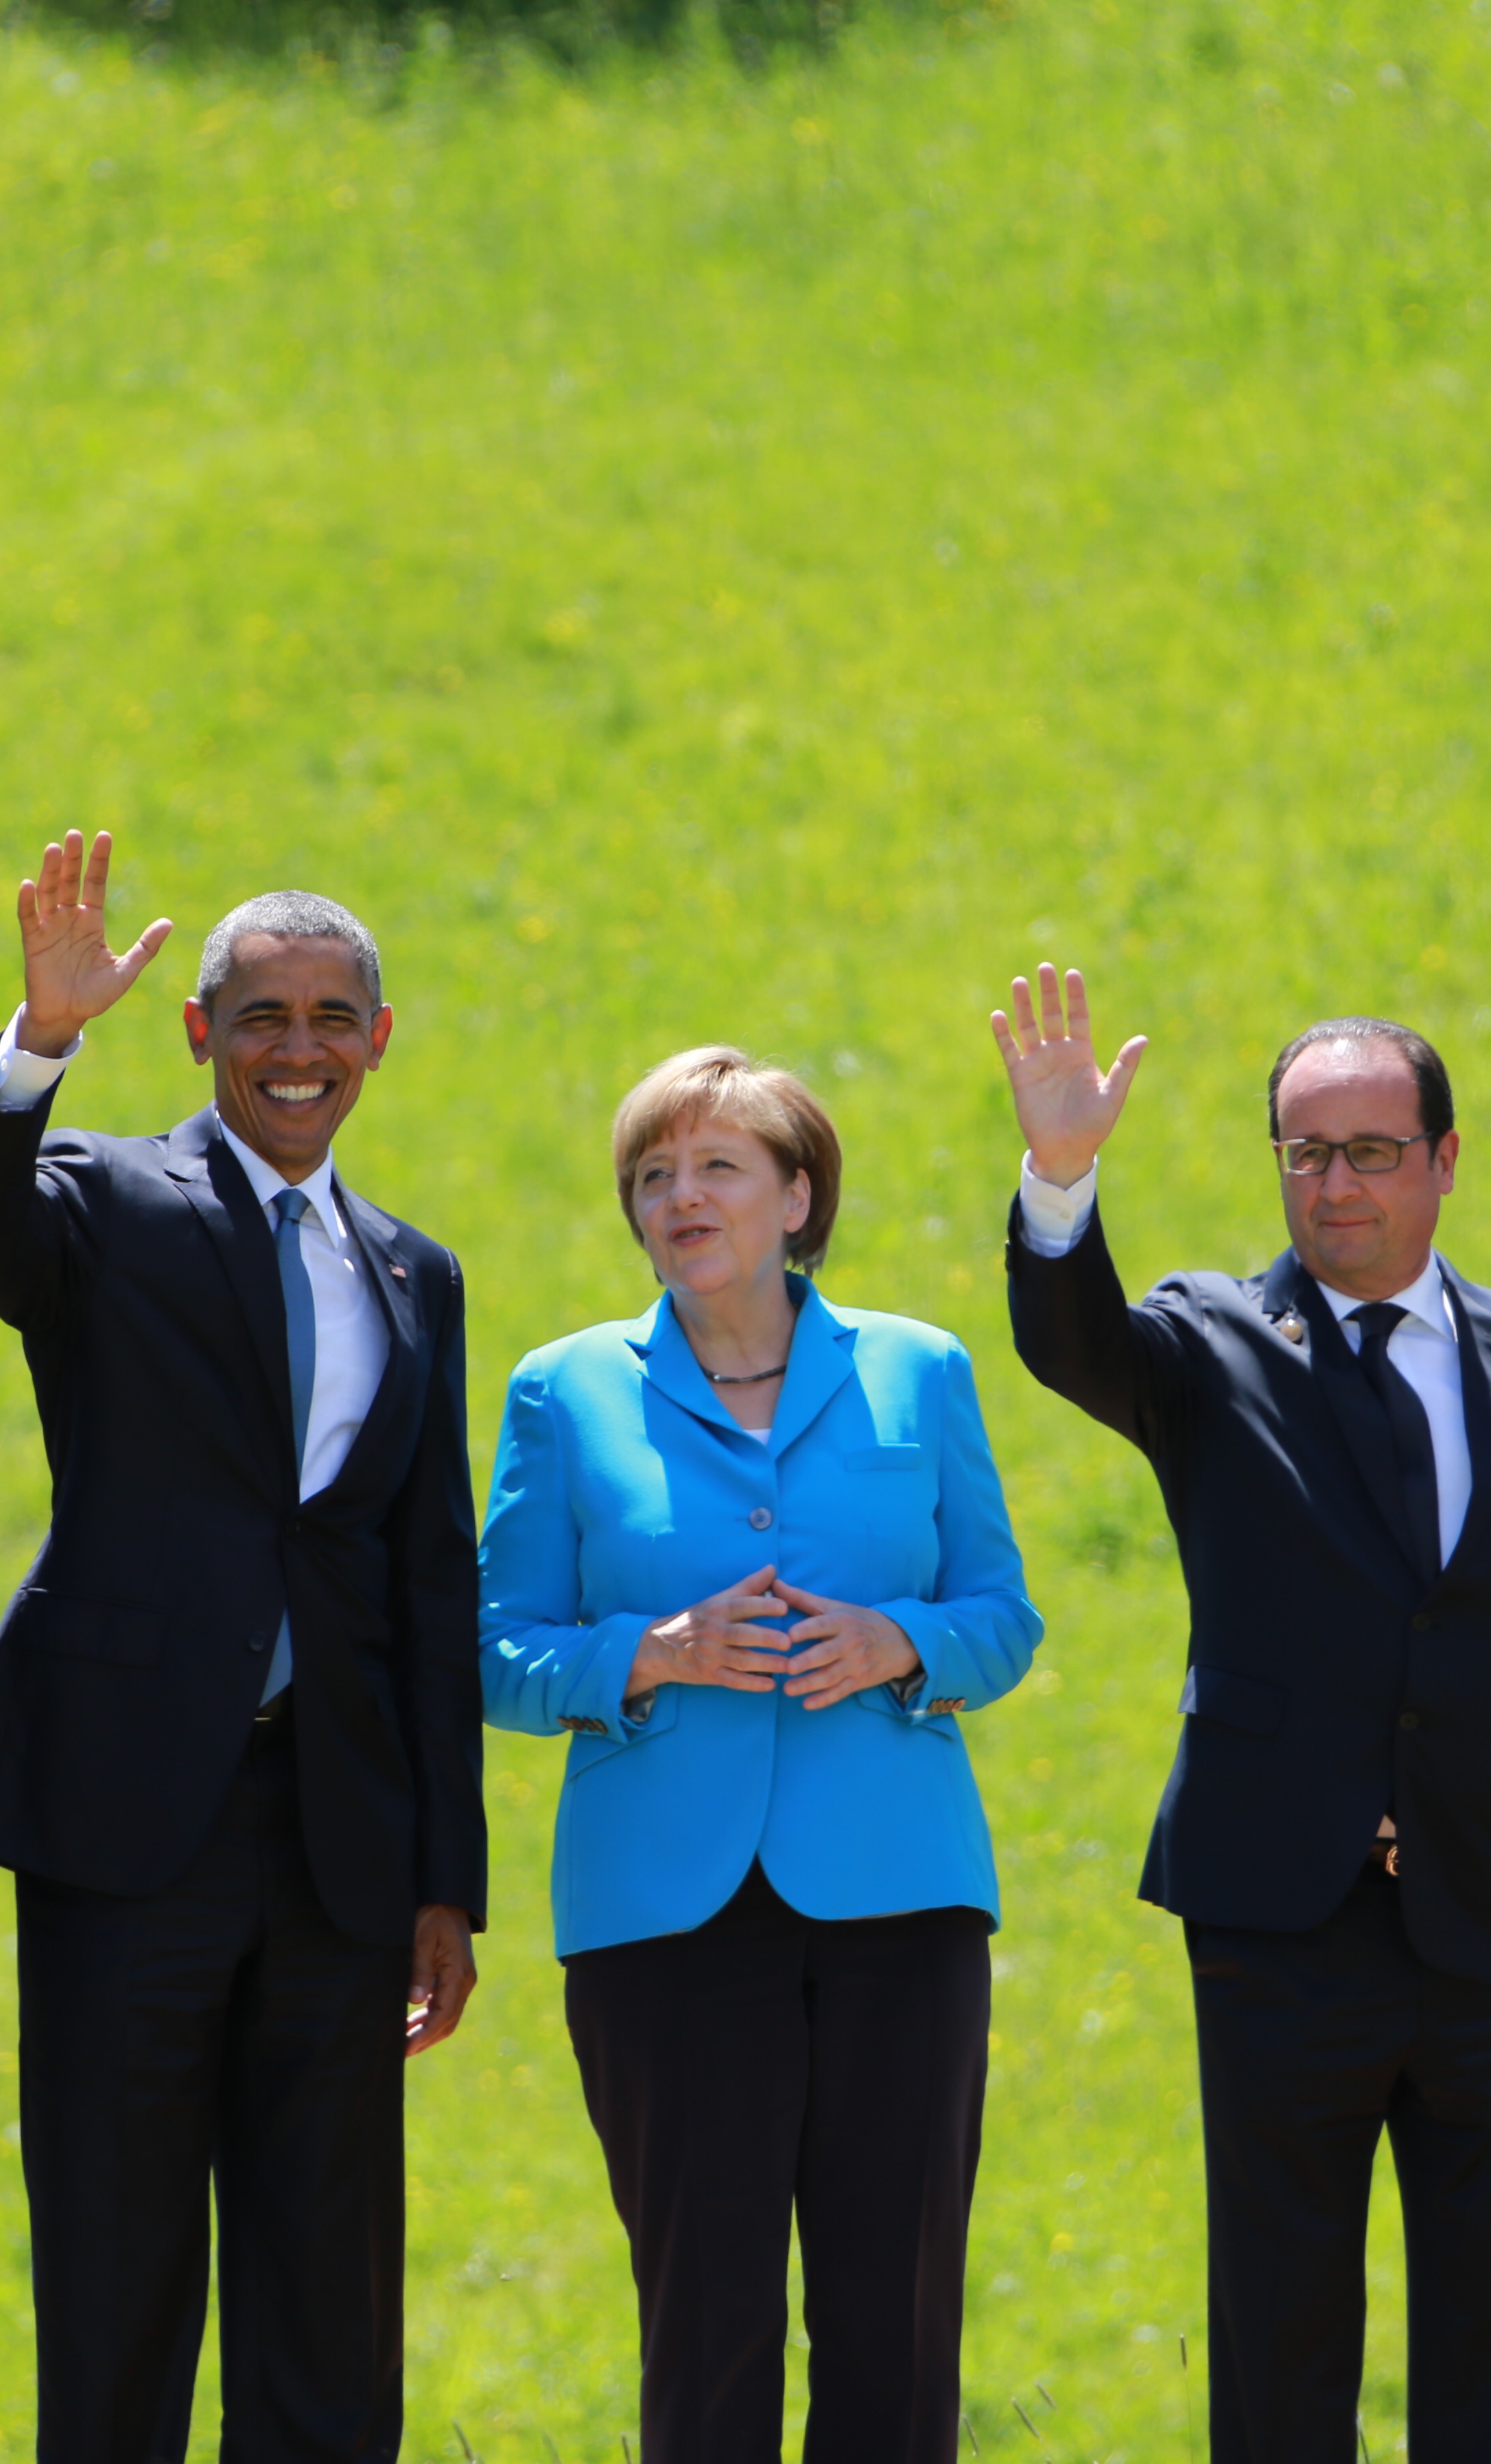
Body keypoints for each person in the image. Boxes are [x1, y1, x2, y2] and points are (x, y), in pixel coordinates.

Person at [998, 970, 1491, 2464]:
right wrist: (1060, 1178)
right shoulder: (1207, 1339)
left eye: (1371, 1150)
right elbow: (1071, 1342)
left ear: (1444, 1159)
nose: (1337, 1182)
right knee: (1282, 2319)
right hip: (1276, 1918)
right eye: (1306, 1152)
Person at [0, 832, 483, 2462]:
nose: (295, 1050)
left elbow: (425, 1578)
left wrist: (447, 1875)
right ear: (201, 1033)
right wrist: (38, 1044)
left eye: (329, 1018)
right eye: (259, 1017)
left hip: (340, 1840)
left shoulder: (414, 1273)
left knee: (329, 2284)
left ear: (379, 1036)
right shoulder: (100, 1197)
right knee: (116, 2261)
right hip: (126, 1818)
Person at [481, 1047, 1041, 2464]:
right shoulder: (565, 1391)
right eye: (653, 1176)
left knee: (896, 2325)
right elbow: (492, 1650)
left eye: (718, 1167)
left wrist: (898, 1644)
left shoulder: (919, 1369)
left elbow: (1002, 1615)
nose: (681, 1198)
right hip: (662, 1917)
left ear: (799, 1197)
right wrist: (644, 1654)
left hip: (899, 1905)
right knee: (705, 2323)